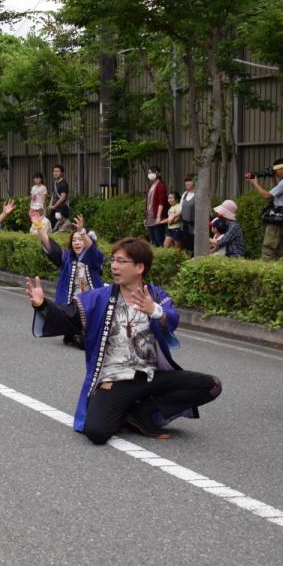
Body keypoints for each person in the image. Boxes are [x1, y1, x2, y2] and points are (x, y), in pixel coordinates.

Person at [25, 237, 222, 443]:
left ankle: (141, 412)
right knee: (97, 432)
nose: (114, 266)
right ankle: (124, 409)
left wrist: (154, 310)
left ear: (139, 267)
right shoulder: (99, 297)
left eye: (121, 261)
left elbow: (171, 318)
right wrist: (42, 305)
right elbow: (69, 316)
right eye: (113, 261)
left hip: (150, 375)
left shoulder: (154, 295)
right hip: (115, 380)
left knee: (211, 385)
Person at [31, 212, 104, 349]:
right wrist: (39, 225)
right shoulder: (67, 258)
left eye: (80, 239)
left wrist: (82, 231)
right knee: (80, 339)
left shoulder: (95, 260)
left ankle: (76, 332)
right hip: (71, 308)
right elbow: (49, 246)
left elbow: (93, 250)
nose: (77, 242)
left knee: (88, 343)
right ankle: (73, 331)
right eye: (74, 240)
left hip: (91, 307)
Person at [247, 158, 283, 261]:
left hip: (277, 219)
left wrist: (255, 184)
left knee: (268, 249)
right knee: (281, 252)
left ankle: (267, 273)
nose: (274, 172)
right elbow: (280, 193)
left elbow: (267, 195)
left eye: (276, 170)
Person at [144, 166, 168, 247]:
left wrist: (158, 216)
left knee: (159, 238)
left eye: (152, 172)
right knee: (152, 239)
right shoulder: (151, 186)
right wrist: (146, 217)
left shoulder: (161, 185)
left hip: (157, 216)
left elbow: (162, 202)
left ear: (158, 173)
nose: (150, 174)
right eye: (149, 173)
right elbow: (148, 203)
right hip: (150, 216)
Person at [48, 164, 71, 231]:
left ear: (62, 173)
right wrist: (50, 205)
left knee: (59, 225)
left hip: (61, 209)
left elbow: (62, 198)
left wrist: (54, 206)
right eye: (54, 171)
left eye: (57, 171)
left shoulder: (64, 184)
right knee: (51, 224)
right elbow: (53, 195)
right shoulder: (54, 183)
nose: (55, 173)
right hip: (54, 208)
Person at [178, 175, 196, 253]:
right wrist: (173, 216)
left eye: (189, 181)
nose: (187, 183)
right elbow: (181, 209)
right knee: (185, 245)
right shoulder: (184, 194)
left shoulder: (198, 194)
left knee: (192, 245)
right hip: (184, 225)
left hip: (194, 225)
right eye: (186, 181)